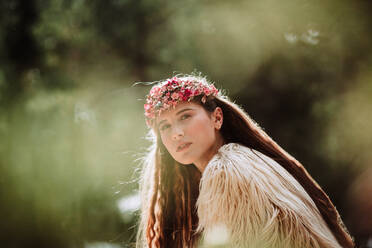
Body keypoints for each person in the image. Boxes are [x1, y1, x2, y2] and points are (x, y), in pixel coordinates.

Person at [136, 75, 354, 248]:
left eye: (185, 116)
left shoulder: (226, 170)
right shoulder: (243, 159)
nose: (176, 133)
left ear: (217, 118)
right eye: (165, 126)